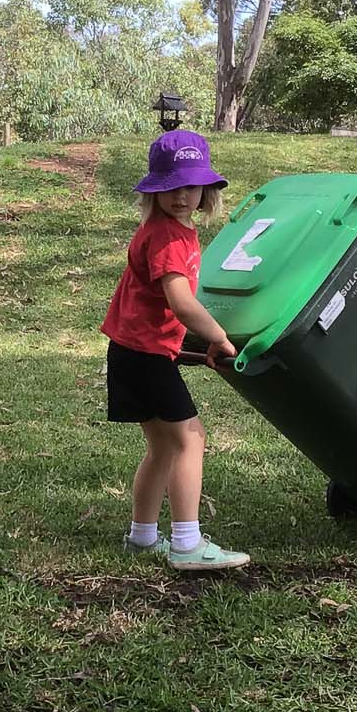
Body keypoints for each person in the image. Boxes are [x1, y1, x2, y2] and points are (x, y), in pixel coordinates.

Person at [101, 130, 249, 573]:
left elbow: (158, 309)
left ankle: (143, 536)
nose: (181, 195)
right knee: (191, 439)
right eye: (170, 186)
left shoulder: (167, 231)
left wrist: (185, 347)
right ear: (155, 190)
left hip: (131, 350)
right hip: (143, 355)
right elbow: (181, 304)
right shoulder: (168, 239)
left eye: (189, 185)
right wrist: (218, 338)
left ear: (206, 188)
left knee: (162, 447)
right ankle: (186, 542)